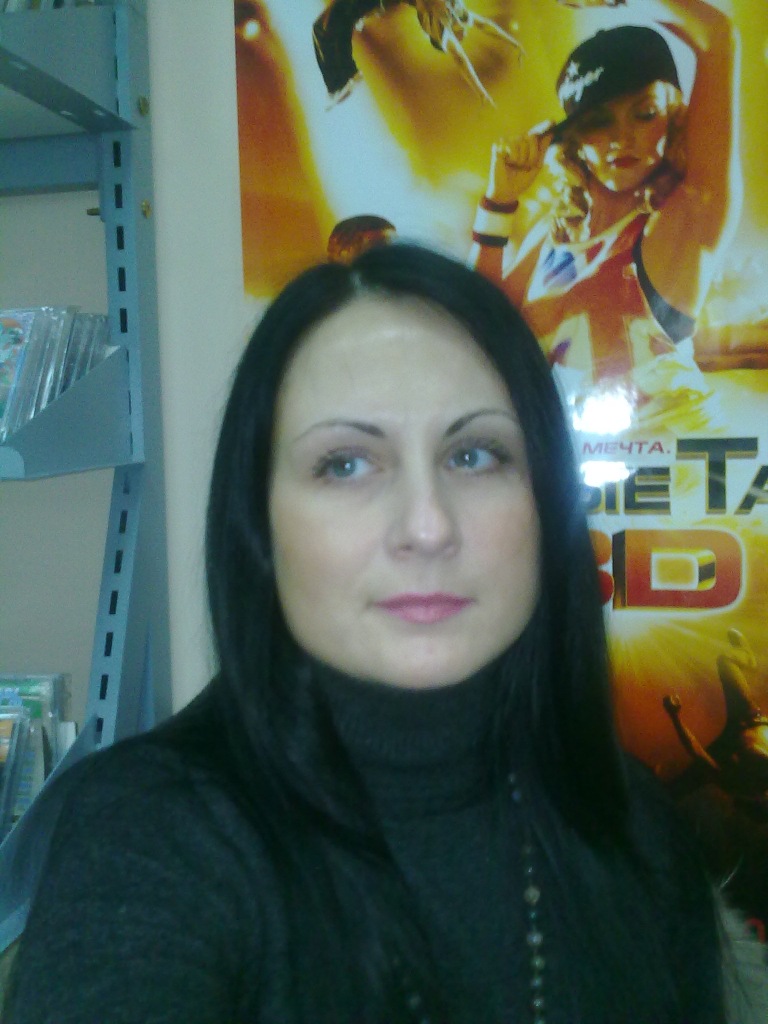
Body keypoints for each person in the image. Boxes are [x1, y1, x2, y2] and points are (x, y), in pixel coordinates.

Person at [1, 244, 756, 1023]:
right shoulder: (151, 837)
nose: (427, 527)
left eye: (474, 455)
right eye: (346, 465)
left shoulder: (633, 827)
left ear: (545, 503)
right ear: (260, 527)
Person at [471, 0, 742, 432]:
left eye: (644, 114)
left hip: (680, 463)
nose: (621, 138)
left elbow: (717, 34)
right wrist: (498, 203)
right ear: (573, 139)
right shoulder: (553, 235)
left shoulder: (685, 217)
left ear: (673, 119)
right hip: (579, 463)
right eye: (599, 121)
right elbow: (476, 328)